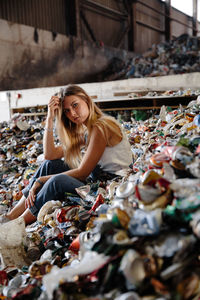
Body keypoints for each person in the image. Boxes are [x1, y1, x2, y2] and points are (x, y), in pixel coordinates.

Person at [0, 85, 133, 225]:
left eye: (75, 105)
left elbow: (82, 173)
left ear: (86, 100)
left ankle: (17, 223)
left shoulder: (101, 127)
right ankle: (10, 216)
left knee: (56, 182)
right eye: (67, 111)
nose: (73, 113)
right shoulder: (89, 130)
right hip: (97, 178)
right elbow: (50, 154)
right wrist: (50, 117)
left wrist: (42, 180)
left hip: (110, 186)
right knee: (50, 165)